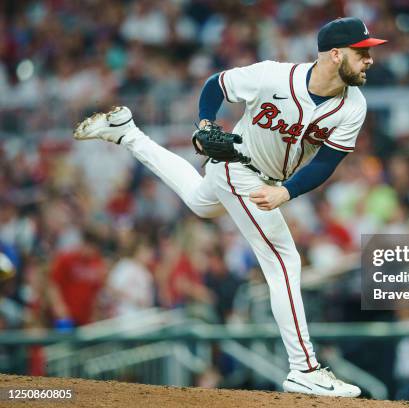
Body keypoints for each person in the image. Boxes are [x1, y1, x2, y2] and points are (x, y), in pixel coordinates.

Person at [73, 17, 386, 397]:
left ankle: (128, 133)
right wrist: (206, 124)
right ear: (335, 55)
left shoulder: (353, 105)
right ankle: (304, 368)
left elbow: (325, 163)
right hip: (238, 167)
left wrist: (286, 192)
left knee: (199, 203)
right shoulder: (273, 77)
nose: (369, 60)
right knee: (284, 262)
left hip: (267, 181)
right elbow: (215, 85)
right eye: (361, 52)